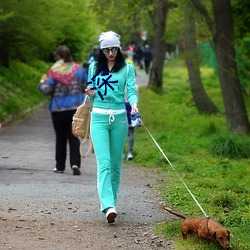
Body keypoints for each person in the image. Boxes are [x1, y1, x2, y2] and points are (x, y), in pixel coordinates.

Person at [85, 31, 138, 223]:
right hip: (98, 117)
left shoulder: (127, 68)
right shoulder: (93, 67)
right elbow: (91, 94)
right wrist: (89, 92)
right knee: (104, 163)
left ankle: (112, 201)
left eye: (114, 49)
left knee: (116, 164)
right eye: (106, 50)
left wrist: (133, 104)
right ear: (101, 50)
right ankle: (107, 205)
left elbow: (131, 90)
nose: (110, 53)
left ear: (119, 48)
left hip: (120, 118)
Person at [39, 45, 87, 175]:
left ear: (58, 57)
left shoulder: (54, 71)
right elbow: (86, 87)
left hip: (58, 109)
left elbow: (47, 90)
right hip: (75, 109)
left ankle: (60, 167)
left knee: (60, 138)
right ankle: (75, 163)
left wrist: (42, 83)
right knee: (74, 136)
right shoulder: (79, 70)